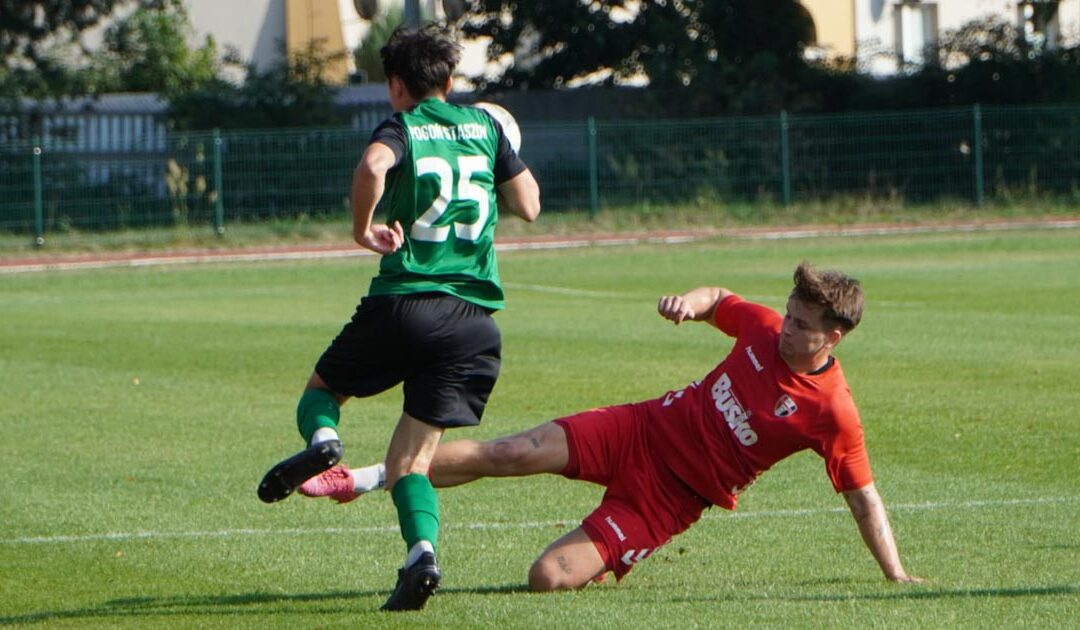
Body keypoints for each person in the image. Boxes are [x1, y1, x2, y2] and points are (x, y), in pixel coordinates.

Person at [300, 262, 925, 590]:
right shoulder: (764, 328)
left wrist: (894, 572)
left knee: (546, 580)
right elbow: (719, 297)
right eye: (788, 316)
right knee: (512, 451)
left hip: (670, 498)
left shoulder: (832, 409)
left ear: (833, 337)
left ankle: (605, 563)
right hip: (642, 427)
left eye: (802, 326)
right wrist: (689, 302)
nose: (786, 328)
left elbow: (862, 495)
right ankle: (363, 477)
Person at [256, 24, 541, 612]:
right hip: (473, 321)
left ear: (395, 85)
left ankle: (326, 439)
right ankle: (422, 556)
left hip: (405, 302)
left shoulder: (401, 127)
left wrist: (363, 229)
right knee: (411, 460)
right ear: (450, 79)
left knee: (321, 393)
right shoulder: (486, 127)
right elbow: (530, 207)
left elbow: (371, 166)